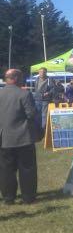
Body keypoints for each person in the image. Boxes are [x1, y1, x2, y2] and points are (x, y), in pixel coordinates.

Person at [0, 69, 39, 205]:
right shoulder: (24, 94)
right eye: (22, 77)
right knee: (27, 169)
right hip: (23, 137)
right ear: (15, 78)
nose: (23, 79)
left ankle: (8, 198)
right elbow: (32, 115)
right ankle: (28, 197)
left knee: (6, 170)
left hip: (4, 139)